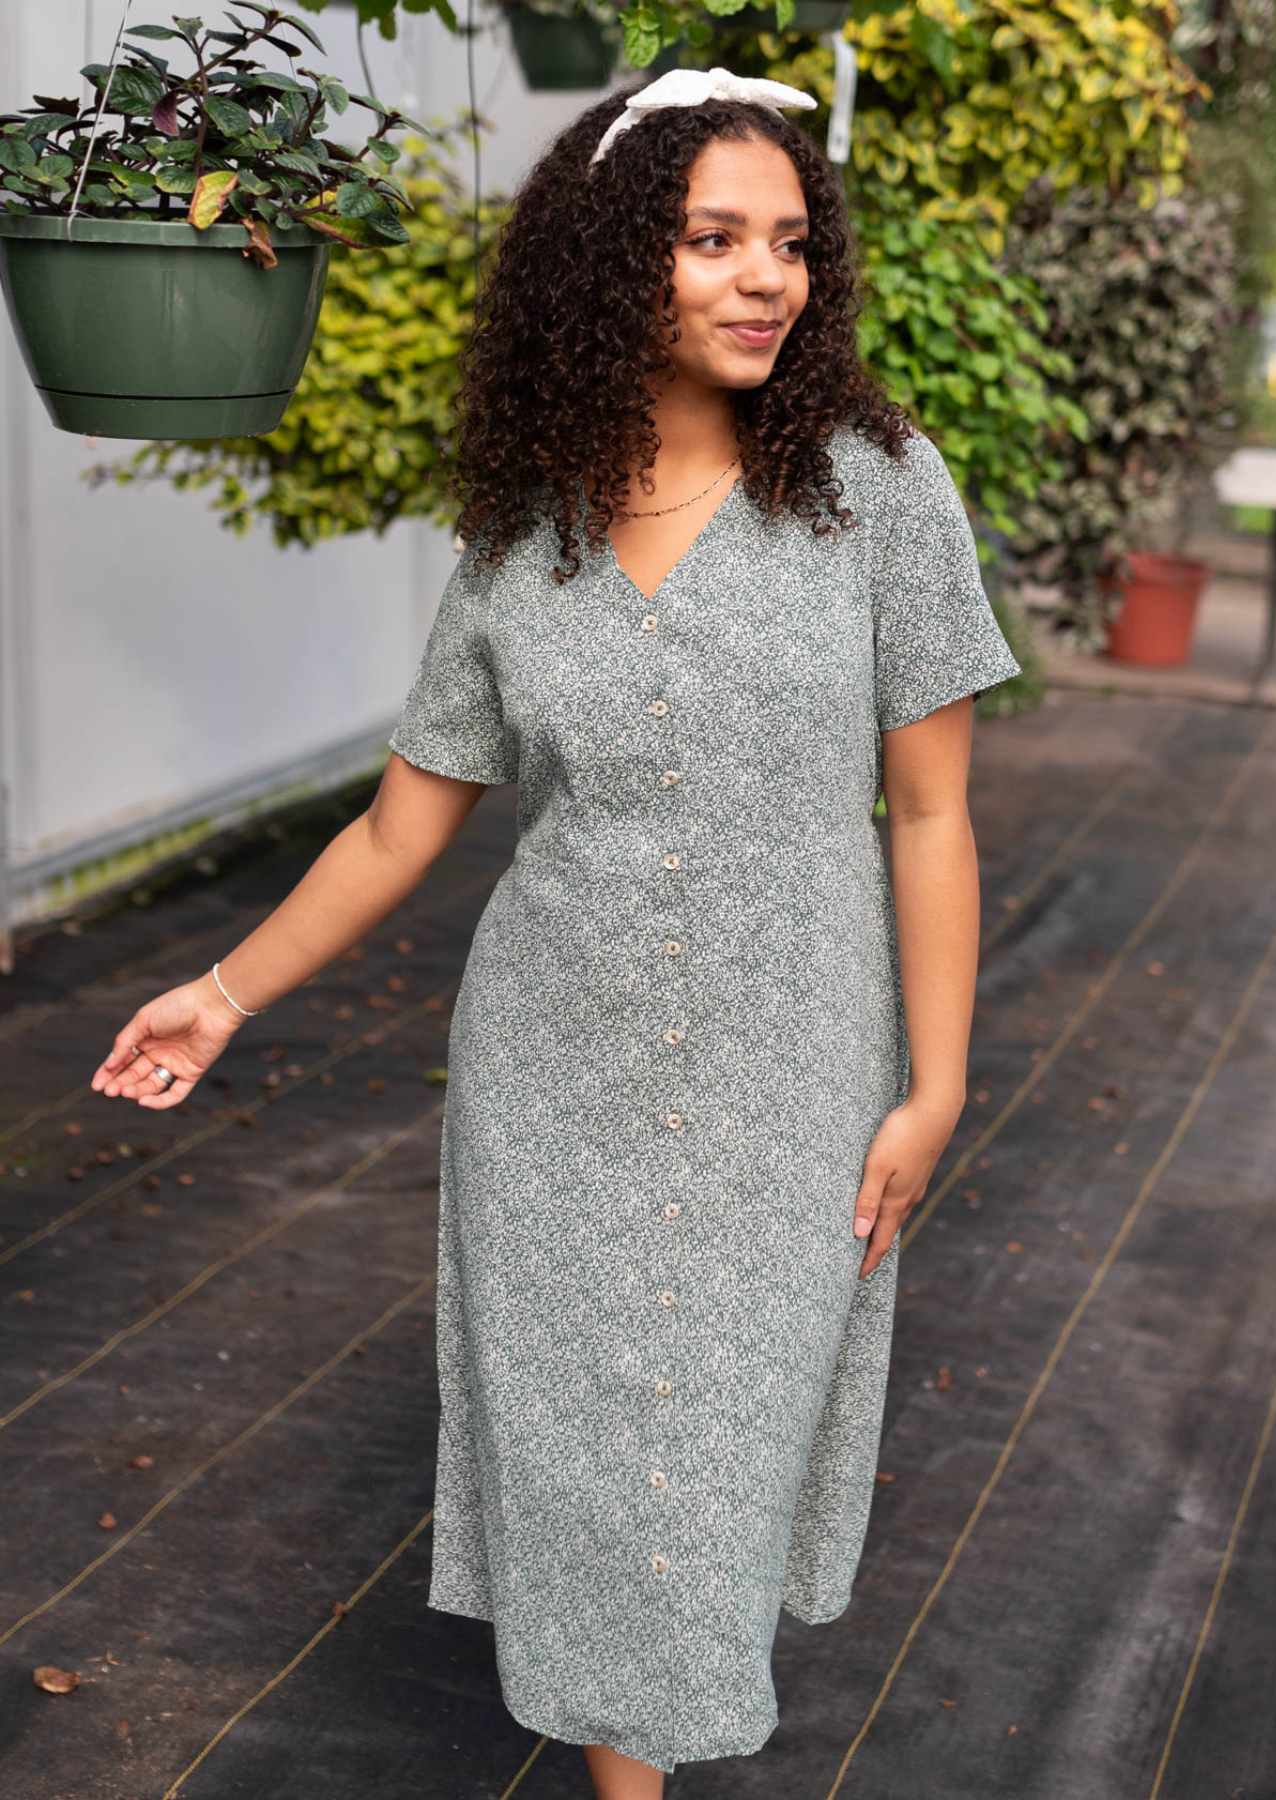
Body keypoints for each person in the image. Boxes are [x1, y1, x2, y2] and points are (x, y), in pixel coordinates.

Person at [89, 64, 1022, 1800]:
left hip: (799, 1066)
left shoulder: (876, 485)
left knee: (722, 1456)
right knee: (601, 1474)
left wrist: (936, 1084)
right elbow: (398, 827)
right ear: (611, 259)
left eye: (790, 246)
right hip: (553, 1075)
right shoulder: (525, 538)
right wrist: (216, 995)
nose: (765, 278)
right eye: (711, 239)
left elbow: (932, 813)